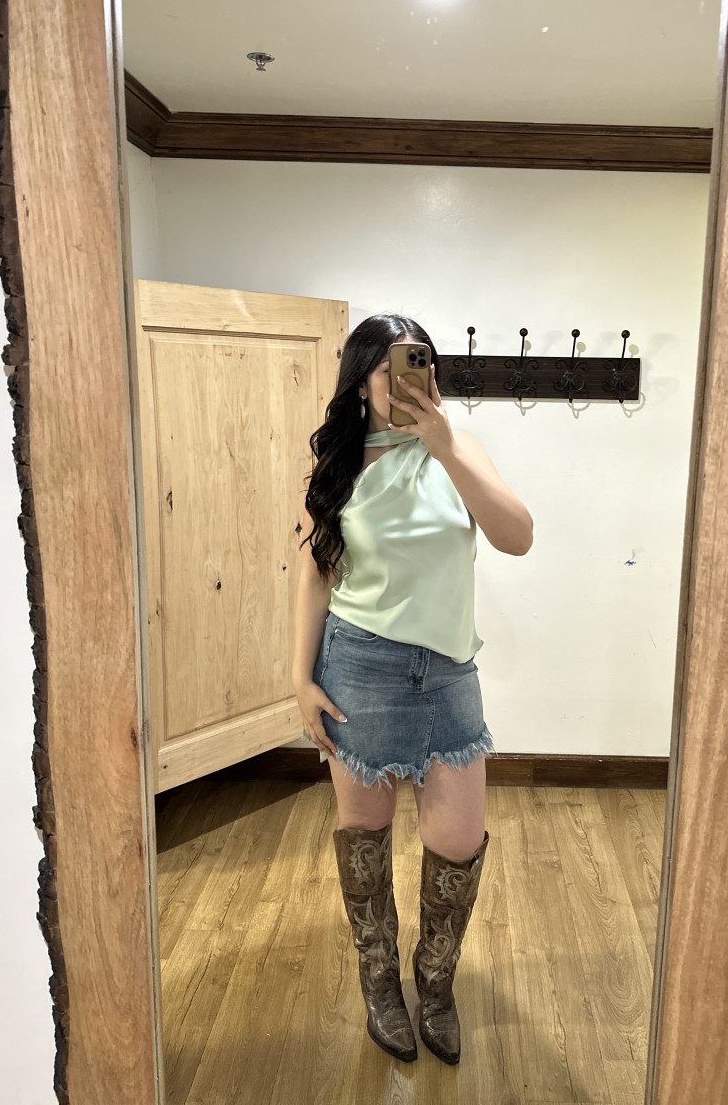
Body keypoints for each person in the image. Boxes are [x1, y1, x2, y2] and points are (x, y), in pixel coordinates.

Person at [291, 314, 533, 1065]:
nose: (406, 381)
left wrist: (445, 447)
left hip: (448, 675)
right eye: (391, 367)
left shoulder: (456, 449)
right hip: (358, 668)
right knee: (364, 836)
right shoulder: (340, 464)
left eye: (419, 364)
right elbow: (317, 573)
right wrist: (300, 678)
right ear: (363, 379)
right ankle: (379, 982)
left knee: (456, 843)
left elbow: (517, 536)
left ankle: (434, 984)